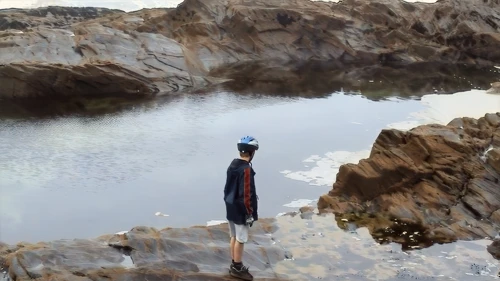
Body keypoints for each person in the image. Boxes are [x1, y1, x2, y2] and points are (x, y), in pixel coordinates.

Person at [223, 135, 259, 281]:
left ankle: (234, 263)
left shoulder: (233, 165)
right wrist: (249, 212)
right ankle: (237, 267)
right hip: (241, 210)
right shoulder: (246, 170)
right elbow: (246, 194)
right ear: (252, 153)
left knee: (234, 236)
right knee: (241, 239)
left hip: (230, 206)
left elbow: (227, 188)